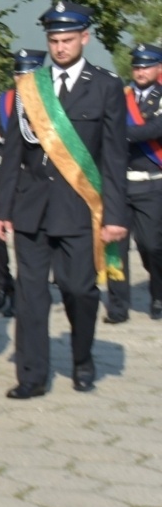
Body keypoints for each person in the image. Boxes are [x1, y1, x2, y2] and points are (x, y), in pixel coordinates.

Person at [0, 1, 128, 396]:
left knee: (79, 291)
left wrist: (115, 216)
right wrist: (2, 209)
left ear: (84, 38)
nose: (60, 47)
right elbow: (12, 152)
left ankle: (82, 357)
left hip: (81, 209)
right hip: (32, 207)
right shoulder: (30, 87)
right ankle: (31, 376)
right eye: (54, 40)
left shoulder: (105, 86)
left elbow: (115, 157)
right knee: (31, 295)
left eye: (68, 40)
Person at [0, 49, 48, 318]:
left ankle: (25, 291)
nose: (22, 78)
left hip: (34, 179)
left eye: (29, 73)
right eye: (19, 73)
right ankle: (3, 284)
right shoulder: (1, 102)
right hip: (4, 176)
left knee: (26, 238)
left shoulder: (50, 104)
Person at [106, 42, 162, 321]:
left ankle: (159, 294)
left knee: (152, 246)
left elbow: (155, 128)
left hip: (152, 183)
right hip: (119, 183)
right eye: (137, 66)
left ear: (159, 68)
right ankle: (118, 306)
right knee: (115, 247)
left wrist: (120, 133)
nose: (141, 71)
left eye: (147, 66)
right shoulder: (120, 96)